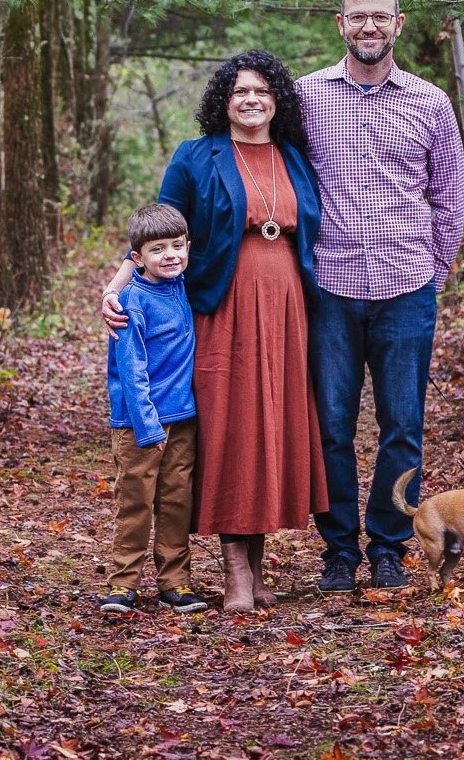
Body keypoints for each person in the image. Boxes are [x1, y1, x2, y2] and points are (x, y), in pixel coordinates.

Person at [102, 50, 327, 613]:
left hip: (286, 308)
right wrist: (118, 284)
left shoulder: (294, 156)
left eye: (262, 90)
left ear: (278, 99)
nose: (251, 99)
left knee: (272, 427)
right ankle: (234, 573)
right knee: (233, 430)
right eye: (238, 91)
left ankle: (257, 565)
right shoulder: (196, 157)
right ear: (222, 101)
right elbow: (159, 228)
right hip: (222, 306)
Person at [296, 0, 464, 592]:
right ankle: (339, 550)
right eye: (357, 17)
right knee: (332, 425)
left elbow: (449, 196)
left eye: (380, 17)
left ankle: (390, 545)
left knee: (402, 425)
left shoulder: (430, 102)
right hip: (330, 290)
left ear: (398, 25)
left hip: (405, 290)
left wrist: (434, 270)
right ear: (340, 24)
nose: (368, 27)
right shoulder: (305, 96)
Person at [101, 202, 208, 616]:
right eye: (158, 249)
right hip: (139, 424)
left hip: (181, 419)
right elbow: (130, 370)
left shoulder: (180, 285)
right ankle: (123, 584)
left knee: (177, 500)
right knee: (135, 502)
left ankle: (175, 582)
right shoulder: (132, 302)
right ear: (137, 258)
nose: (170, 256)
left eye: (177, 246)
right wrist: (148, 427)